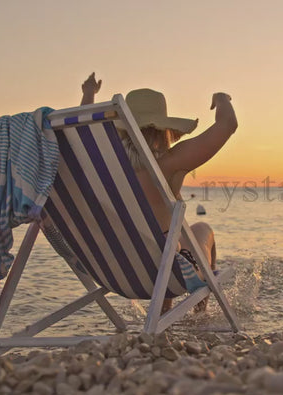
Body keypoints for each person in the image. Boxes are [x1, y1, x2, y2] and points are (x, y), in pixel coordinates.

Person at [80, 73, 238, 313]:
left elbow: (80, 131)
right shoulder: (170, 163)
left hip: (117, 269)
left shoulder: (104, 164)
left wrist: (89, 93)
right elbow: (227, 125)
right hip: (164, 273)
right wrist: (222, 98)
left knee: (170, 240)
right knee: (203, 230)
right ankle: (198, 313)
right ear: (164, 129)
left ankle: (164, 314)